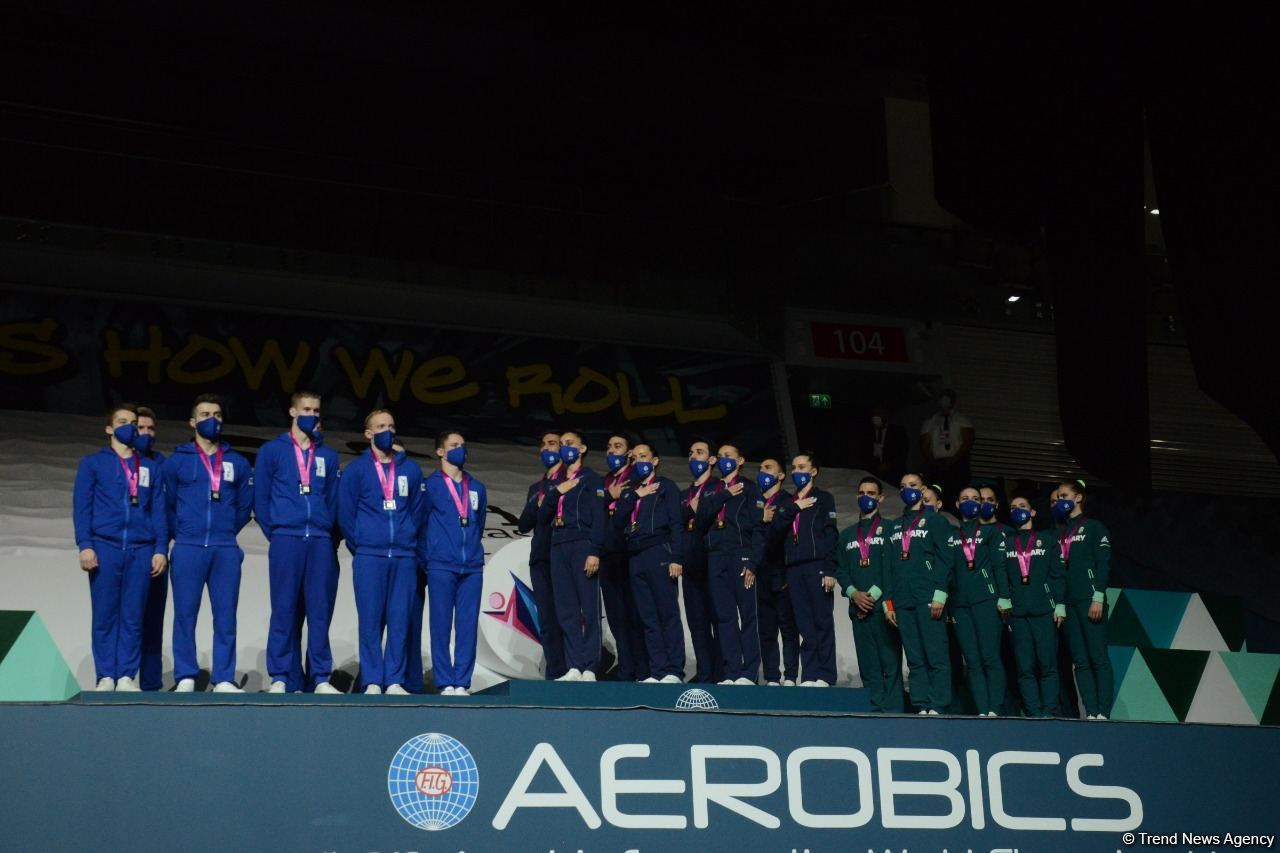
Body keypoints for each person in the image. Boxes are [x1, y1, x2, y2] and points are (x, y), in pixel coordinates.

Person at [73, 404, 169, 692]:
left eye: (133, 422)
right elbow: (82, 507)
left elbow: (159, 512)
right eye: (123, 422)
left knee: (133, 614)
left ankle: (126, 675)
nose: (130, 427)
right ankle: (105, 675)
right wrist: (85, 545)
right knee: (104, 615)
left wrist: (161, 548)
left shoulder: (150, 467)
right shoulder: (93, 463)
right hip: (105, 547)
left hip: (141, 548)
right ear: (109, 428)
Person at [163, 394, 253, 693]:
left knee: (225, 615)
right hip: (188, 546)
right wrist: (184, 532)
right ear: (192, 422)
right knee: (185, 615)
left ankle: (224, 677)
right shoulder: (176, 461)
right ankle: (186, 675)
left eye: (216, 414)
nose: (211, 419)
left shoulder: (237, 462)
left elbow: (243, 506)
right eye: (204, 414)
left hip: (224, 548)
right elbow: (168, 505)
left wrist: (226, 531)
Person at [253, 391, 342, 695]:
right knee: (284, 609)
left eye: (316, 410)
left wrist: (322, 528)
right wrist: (277, 530)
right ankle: (281, 676)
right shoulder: (272, 451)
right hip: (286, 538)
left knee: (319, 611)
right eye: (306, 409)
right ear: (292, 411)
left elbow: (332, 499)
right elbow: (261, 498)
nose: (312, 415)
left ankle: (320, 677)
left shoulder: (327, 456)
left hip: (318, 540)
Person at [338, 410, 425, 695]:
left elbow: (417, 512)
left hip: (403, 556)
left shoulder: (410, 470)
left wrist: (406, 539)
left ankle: (395, 680)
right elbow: (346, 515)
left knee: (399, 620)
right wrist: (363, 544)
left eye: (390, 425)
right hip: (370, 556)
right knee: (371, 621)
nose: (387, 430)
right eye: (380, 426)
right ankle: (373, 680)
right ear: (368, 434)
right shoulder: (356, 470)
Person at [420, 431, 487, 696]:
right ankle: (445, 681)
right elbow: (422, 524)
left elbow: (478, 524)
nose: (461, 449)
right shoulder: (431, 485)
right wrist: (430, 556)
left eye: (463, 445)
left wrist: (470, 550)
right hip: (440, 564)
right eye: (454, 445)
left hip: (471, 565)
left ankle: (462, 682)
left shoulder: (477, 487)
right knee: (441, 625)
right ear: (440, 452)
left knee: (467, 625)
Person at [537, 431, 606, 681]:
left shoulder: (592, 479)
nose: (565, 448)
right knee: (566, 609)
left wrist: (594, 551)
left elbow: (600, 517)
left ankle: (589, 666)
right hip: (558, 545)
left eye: (570, 444)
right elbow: (542, 517)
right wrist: (555, 493)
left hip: (582, 544)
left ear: (583, 448)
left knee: (588, 609)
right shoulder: (555, 482)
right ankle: (574, 665)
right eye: (562, 444)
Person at [615, 444, 686, 683]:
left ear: (655, 461)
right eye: (634, 459)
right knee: (648, 617)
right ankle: (657, 671)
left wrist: (676, 557)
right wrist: (636, 495)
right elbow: (616, 524)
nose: (638, 462)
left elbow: (677, 524)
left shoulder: (666, 486)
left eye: (643, 457)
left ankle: (674, 671)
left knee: (667, 614)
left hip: (660, 552)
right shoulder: (629, 491)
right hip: (635, 556)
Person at [883, 472, 953, 714]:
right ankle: (921, 703)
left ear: (923, 490)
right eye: (902, 486)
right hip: (902, 599)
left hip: (927, 596)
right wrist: (889, 603)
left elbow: (946, 560)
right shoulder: (894, 526)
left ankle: (939, 704)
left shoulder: (936, 521)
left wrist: (940, 595)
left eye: (913, 485)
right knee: (914, 656)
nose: (907, 490)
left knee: (935, 653)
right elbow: (889, 567)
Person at [696, 443, 764, 685]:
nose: (725, 459)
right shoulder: (711, 489)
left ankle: (749, 672)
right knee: (724, 618)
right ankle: (731, 672)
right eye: (721, 455)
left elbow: (758, 528)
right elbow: (701, 520)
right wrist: (724, 495)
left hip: (741, 556)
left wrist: (754, 562)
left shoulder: (750, 489)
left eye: (729, 456)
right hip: (716, 557)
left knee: (747, 616)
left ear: (740, 460)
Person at [835, 476, 904, 712]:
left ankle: (894, 711)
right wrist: (855, 595)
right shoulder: (846, 535)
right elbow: (841, 570)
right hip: (858, 609)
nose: (866, 497)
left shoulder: (890, 529)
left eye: (871, 493)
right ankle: (875, 711)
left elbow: (892, 569)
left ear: (881, 498)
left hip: (883, 608)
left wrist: (871, 596)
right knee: (868, 664)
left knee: (890, 662)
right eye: (862, 492)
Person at [771, 453, 839, 687]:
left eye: (802, 467)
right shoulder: (787, 502)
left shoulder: (824, 498)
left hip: (817, 566)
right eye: (794, 467)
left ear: (813, 471)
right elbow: (776, 532)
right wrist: (794, 508)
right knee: (804, 625)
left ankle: (826, 675)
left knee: (822, 621)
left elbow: (831, 534)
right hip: (793, 569)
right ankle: (810, 675)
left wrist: (830, 569)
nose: (797, 471)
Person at [1052, 480, 1114, 720]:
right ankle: (1091, 711)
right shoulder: (1059, 533)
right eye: (1057, 498)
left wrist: (1098, 595)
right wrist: (1059, 603)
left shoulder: (1094, 527)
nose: (1060, 501)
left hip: (1090, 599)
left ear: (1078, 498)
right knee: (1080, 661)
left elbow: (1103, 563)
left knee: (1098, 657)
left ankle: (1105, 712)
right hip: (1068, 603)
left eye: (1064, 495)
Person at [948, 486, 1011, 716]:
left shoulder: (990, 533)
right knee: (972, 660)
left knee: (990, 656)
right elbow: (948, 570)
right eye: (965, 499)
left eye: (975, 499)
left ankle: (995, 708)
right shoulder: (952, 535)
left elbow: (999, 566)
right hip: (960, 605)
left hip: (986, 600)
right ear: (956, 504)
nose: (970, 503)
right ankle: (982, 711)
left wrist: (1004, 596)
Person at [1003, 496, 1065, 717]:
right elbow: (1002, 576)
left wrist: (1060, 605)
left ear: (1033, 512)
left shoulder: (1046, 540)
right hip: (1018, 614)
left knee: (1048, 665)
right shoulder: (1007, 542)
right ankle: (1032, 713)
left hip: (1044, 612)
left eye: (1022, 506)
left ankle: (1049, 711)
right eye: (1013, 508)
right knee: (1025, 668)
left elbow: (1057, 575)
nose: (1017, 510)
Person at [516, 430, 567, 679]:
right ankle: (555, 673)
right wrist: (537, 504)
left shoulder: (571, 480)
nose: (548, 449)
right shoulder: (536, 488)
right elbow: (523, 524)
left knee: (565, 616)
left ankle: (572, 670)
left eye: (553, 444)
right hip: (540, 557)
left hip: (563, 556)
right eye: (544, 444)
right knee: (546, 620)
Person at [600, 433, 648, 681]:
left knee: (635, 614)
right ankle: (627, 667)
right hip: (608, 556)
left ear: (629, 454)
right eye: (609, 447)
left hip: (631, 553)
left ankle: (643, 668)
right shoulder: (605, 482)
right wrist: (609, 495)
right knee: (617, 617)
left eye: (617, 447)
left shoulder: (639, 478)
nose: (611, 451)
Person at [133, 406, 169, 692]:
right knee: (126, 617)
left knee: (152, 618)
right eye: (140, 428)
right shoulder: (111, 464)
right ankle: (120, 678)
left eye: (150, 429)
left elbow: (166, 510)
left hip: (156, 551)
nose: (146, 434)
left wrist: (162, 546)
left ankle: (151, 683)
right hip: (127, 548)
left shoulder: (161, 464)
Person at [754, 458, 799, 687]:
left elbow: (790, 539)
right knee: (766, 629)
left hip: (781, 574)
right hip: (759, 574)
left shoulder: (789, 501)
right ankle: (772, 676)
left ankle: (790, 676)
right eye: (760, 468)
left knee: (788, 627)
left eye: (768, 468)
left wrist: (786, 573)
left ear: (781, 476)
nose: (762, 472)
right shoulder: (754, 502)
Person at [681, 441, 722, 683]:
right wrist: (689, 509)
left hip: (714, 562)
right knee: (697, 623)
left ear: (712, 459)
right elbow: (676, 521)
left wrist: (701, 508)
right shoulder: (684, 493)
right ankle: (705, 672)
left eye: (699, 453)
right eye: (690, 453)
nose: (694, 457)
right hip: (690, 565)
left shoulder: (718, 487)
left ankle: (722, 672)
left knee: (719, 619)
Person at [919, 389, 975, 505]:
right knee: (936, 493)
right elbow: (925, 445)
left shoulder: (962, 420)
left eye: (948, 398)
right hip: (936, 464)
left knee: (956, 494)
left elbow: (968, 442)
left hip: (958, 464)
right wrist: (933, 461)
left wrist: (953, 460)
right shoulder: (931, 421)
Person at [862, 404, 908, 483]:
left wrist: (889, 465)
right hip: (872, 474)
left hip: (893, 475)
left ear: (886, 415)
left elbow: (902, 453)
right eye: (874, 414)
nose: (876, 417)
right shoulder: (866, 432)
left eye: (879, 414)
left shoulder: (898, 432)